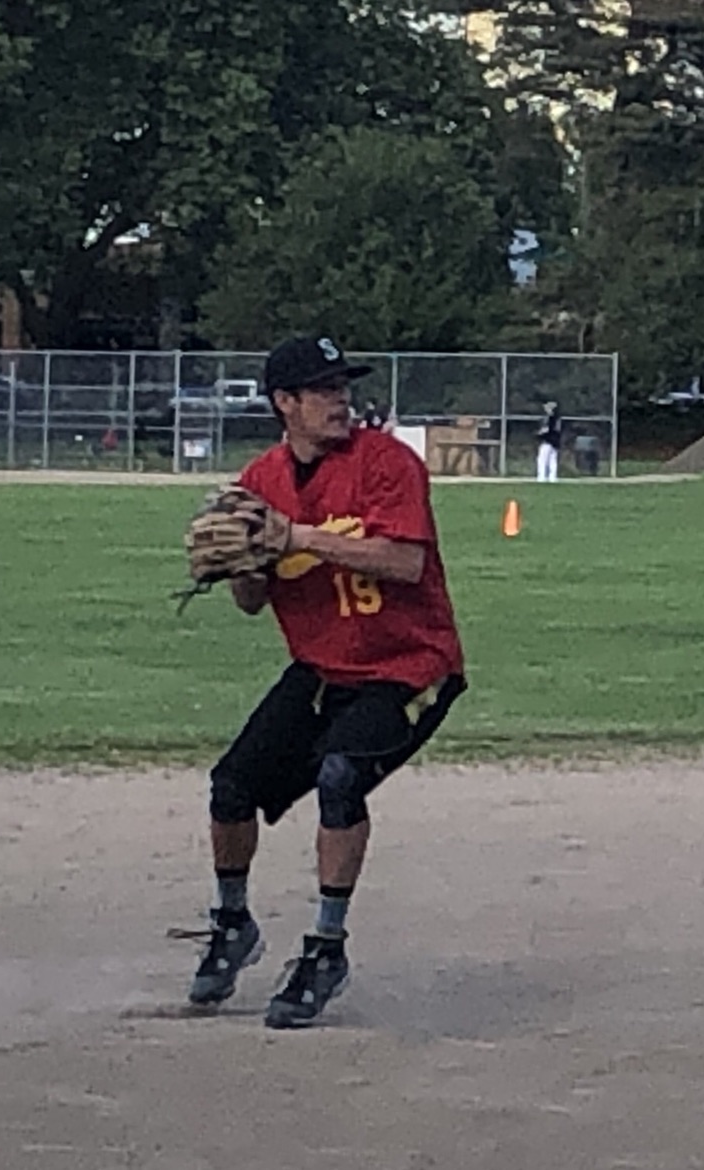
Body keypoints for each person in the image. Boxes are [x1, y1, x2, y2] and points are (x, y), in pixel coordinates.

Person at [186, 334, 467, 1029]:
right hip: (321, 669)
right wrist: (242, 564)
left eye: (343, 387)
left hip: (408, 666)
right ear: (285, 403)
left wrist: (299, 538)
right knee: (230, 788)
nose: (341, 400)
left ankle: (326, 947)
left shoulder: (387, 464)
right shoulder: (260, 482)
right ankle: (232, 922)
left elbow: (403, 562)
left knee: (342, 778)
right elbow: (253, 603)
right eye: (323, 390)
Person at [536, 400, 561, 482]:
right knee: (552, 460)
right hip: (555, 442)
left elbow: (546, 430)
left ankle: (542, 477)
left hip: (548, 441)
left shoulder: (550, 419)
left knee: (542, 460)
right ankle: (552, 477)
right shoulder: (558, 418)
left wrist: (540, 434)